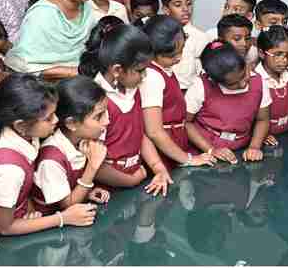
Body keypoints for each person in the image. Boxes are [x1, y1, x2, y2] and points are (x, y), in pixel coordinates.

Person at [0, 73, 97, 235]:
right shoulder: (9, 170)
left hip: (24, 215)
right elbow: (5, 228)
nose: (56, 120)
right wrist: (63, 218)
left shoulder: (26, 134)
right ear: (21, 125)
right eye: (48, 118)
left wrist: (30, 208)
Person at [79, 21, 172, 195]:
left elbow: (139, 135)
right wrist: (131, 180)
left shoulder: (131, 89)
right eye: (140, 70)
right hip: (107, 192)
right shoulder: (97, 102)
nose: (144, 76)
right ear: (117, 70)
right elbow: (94, 163)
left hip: (136, 180)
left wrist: (158, 167)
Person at [139, 15, 216, 170]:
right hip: (162, 153)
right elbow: (154, 131)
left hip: (175, 145)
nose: (179, 58)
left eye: (181, 50)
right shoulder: (152, 77)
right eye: (172, 55)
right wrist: (188, 159)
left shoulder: (165, 69)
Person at [4, 0, 94, 79]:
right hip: (45, 86)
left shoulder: (87, 8)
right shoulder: (41, 14)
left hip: (83, 81)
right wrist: (75, 72)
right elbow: (25, 65)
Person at [33, 76, 112, 213]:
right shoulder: (51, 160)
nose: (107, 121)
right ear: (72, 123)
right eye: (98, 116)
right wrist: (92, 167)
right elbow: (67, 205)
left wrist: (86, 192)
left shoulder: (81, 140)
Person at [186, 41, 272, 164]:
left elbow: (262, 120)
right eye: (233, 84)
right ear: (215, 81)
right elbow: (186, 122)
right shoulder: (200, 86)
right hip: (204, 154)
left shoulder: (259, 83)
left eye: (243, 75)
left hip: (241, 151)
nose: (242, 84)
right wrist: (211, 150)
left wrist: (254, 146)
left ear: (246, 64)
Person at [161, 0, 210, 89]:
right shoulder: (159, 34)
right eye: (178, 5)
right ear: (166, 9)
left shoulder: (200, 37)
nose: (185, 9)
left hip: (188, 91)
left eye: (188, 4)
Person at [255, 26, 288, 144]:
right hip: (263, 140)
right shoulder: (255, 81)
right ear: (261, 53)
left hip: (286, 136)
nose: (284, 60)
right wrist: (261, 135)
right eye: (278, 54)